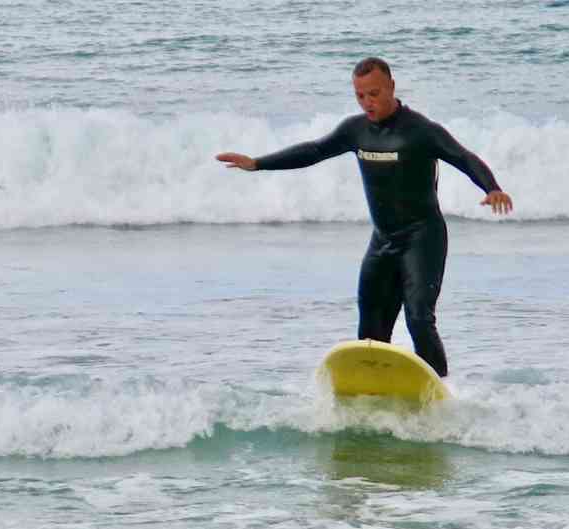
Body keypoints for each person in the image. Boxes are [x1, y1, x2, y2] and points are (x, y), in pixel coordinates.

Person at [216, 57, 513, 377]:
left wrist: (492, 187)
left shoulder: (421, 131)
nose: (366, 103)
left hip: (422, 237)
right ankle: (377, 391)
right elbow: (314, 151)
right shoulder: (355, 130)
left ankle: (440, 390)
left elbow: (464, 157)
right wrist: (257, 163)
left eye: (373, 94)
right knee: (370, 331)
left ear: (391, 87)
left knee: (419, 318)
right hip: (383, 241)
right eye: (360, 96)